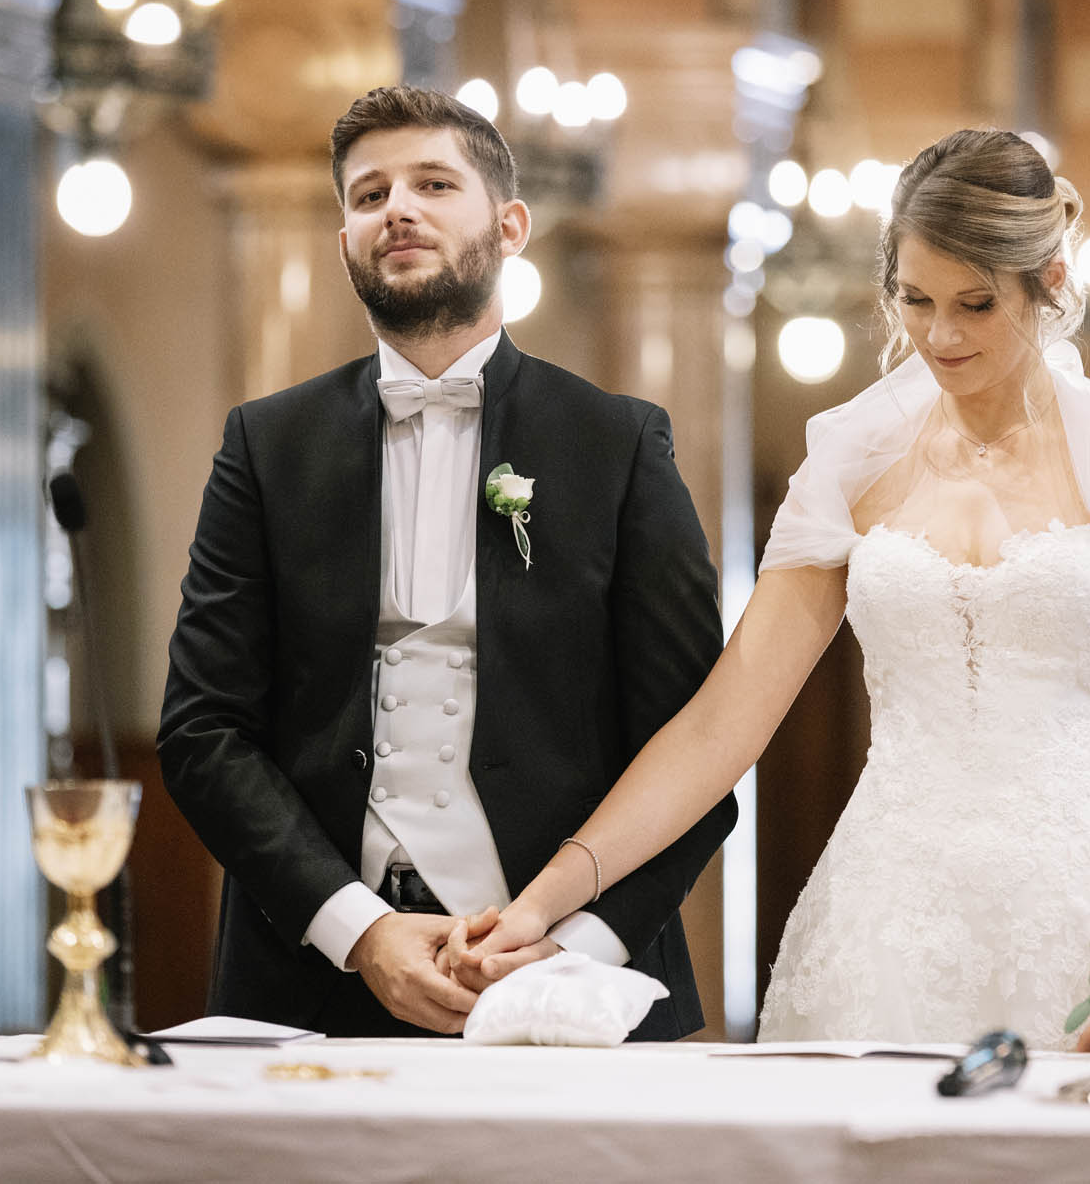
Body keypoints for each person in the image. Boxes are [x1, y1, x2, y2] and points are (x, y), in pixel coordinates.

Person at [456, 128, 1090, 1051]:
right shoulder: (853, 467)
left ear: (1051, 281)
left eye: (977, 305)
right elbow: (721, 724)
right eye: (916, 299)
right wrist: (544, 900)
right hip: (887, 917)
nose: (939, 336)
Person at [158, 85, 735, 1039]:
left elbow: (696, 750)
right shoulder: (267, 445)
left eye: (433, 182)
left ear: (509, 225)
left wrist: (569, 946)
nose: (398, 209)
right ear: (345, 237)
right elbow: (202, 728)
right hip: (313, 979)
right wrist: (359, 929)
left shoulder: (618, 444)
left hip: (570, 985)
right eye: (369, 194)